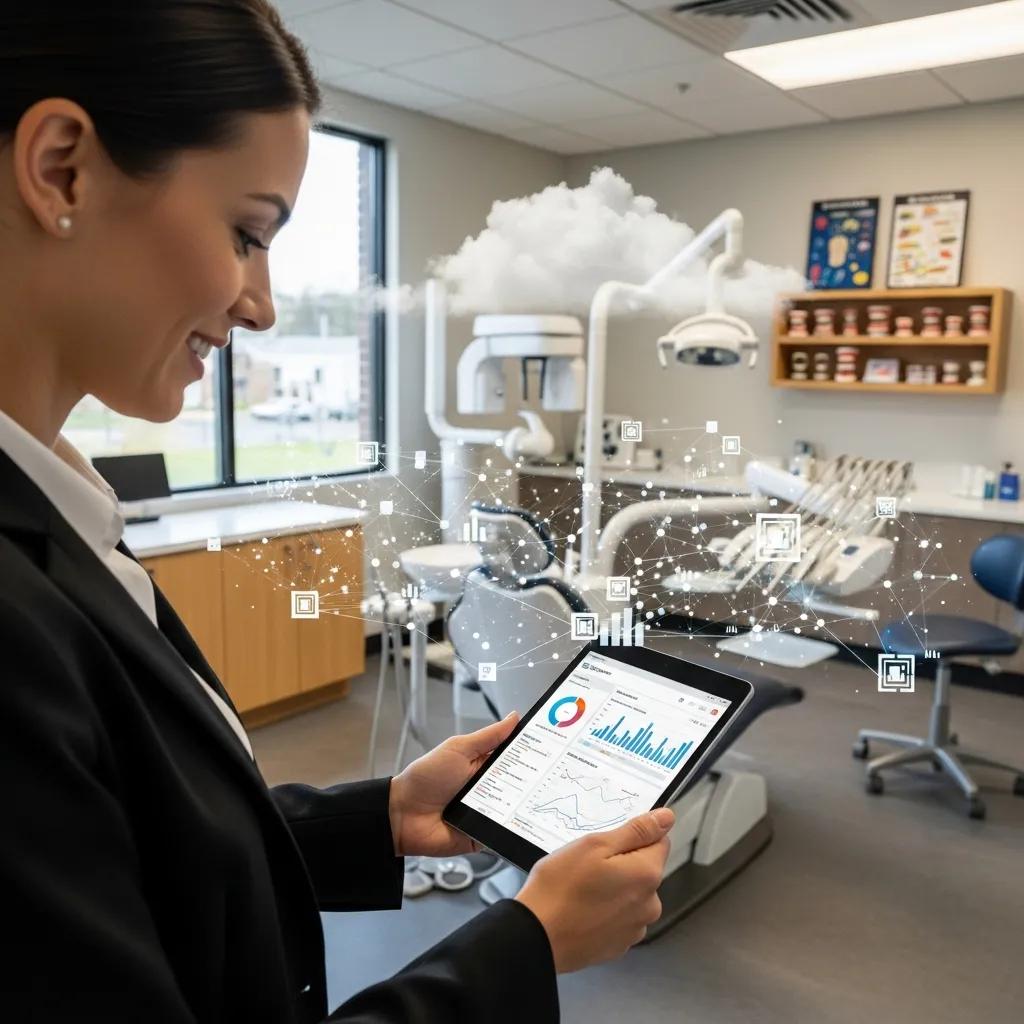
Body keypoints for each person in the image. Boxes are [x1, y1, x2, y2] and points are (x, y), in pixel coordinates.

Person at [0, 3, 673, 1021]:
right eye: (246, 232)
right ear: (62, 168)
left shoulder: (60, 520)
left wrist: (382, 816)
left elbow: (132, 852)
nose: (262, 301)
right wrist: (526, 948)